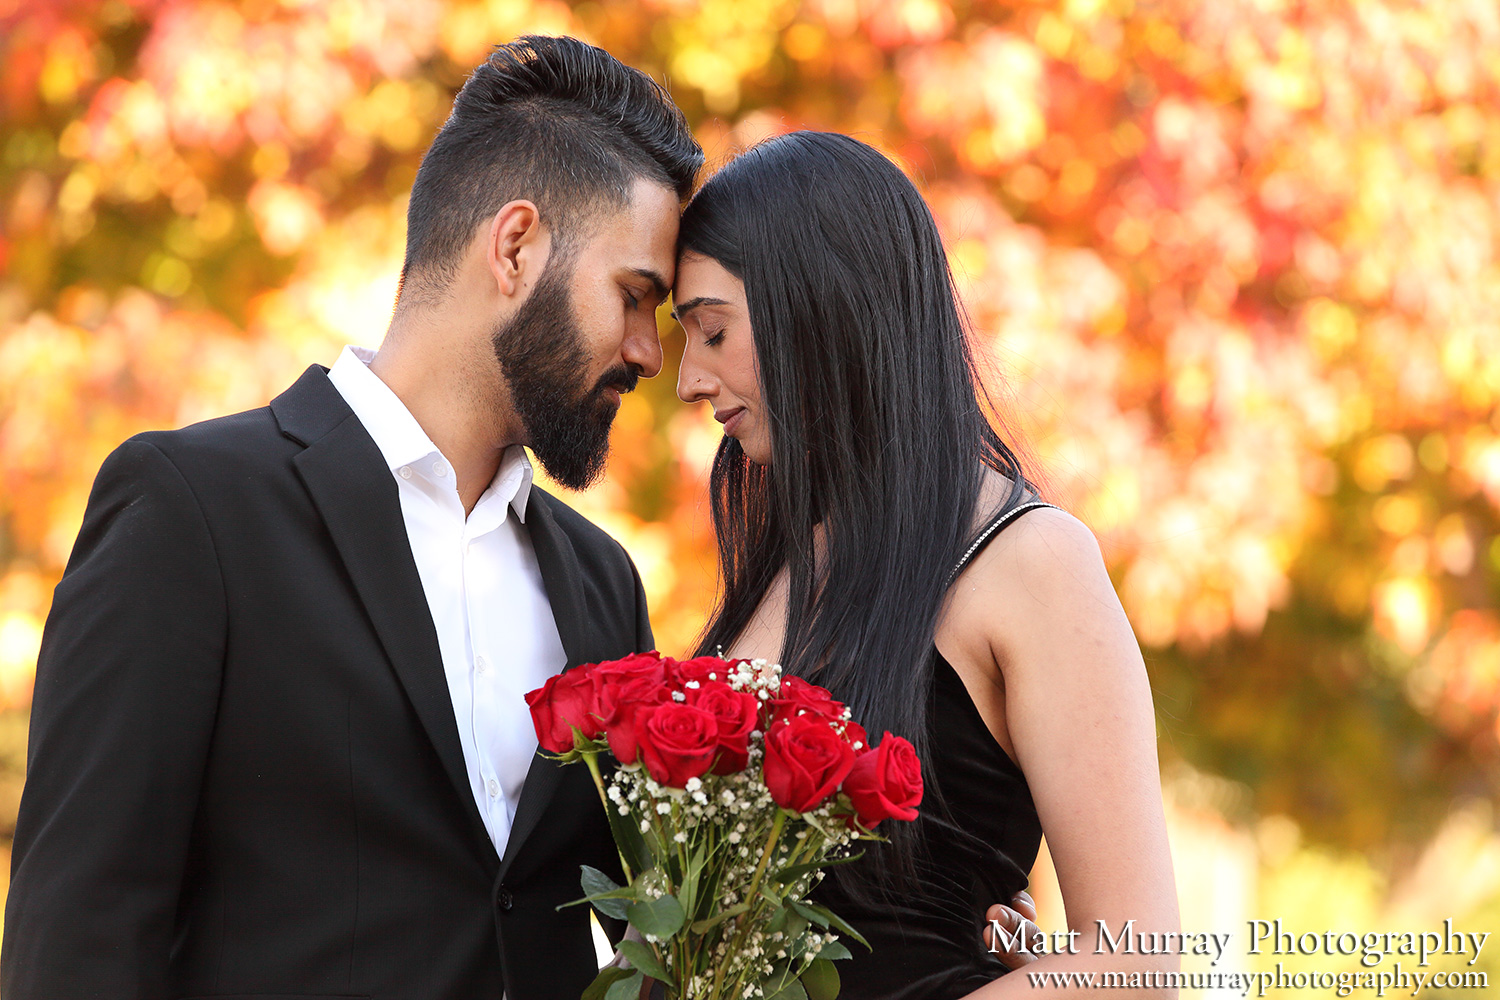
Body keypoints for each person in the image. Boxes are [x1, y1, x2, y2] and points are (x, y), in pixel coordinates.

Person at [2, 36, 701, 1000]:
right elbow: (77, 939)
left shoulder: (602, 583)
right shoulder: (191, 510)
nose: (647, 353)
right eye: (634, 298)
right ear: (515, 246)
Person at [671, 130, 1181, 999]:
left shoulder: (1031, 563)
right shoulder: (790, 556)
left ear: (820, 308)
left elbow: (1137, 964)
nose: (687, 377)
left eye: (713, 331)